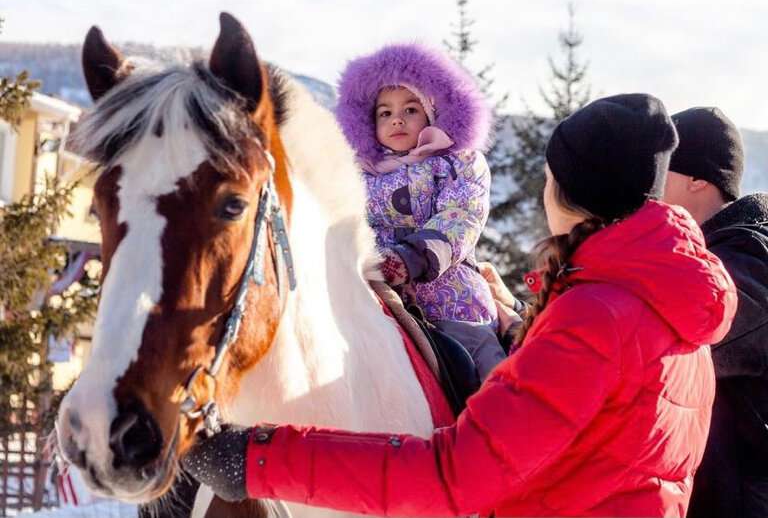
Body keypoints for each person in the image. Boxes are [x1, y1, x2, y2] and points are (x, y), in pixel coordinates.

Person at [183, 93, 737, 517]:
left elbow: (455, 475)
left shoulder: (595, 316)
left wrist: (257, 458)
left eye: (549, 179)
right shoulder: (674, 306)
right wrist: (526, 325)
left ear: (567, 192)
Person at [335, 42, 506, 381]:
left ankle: (501, 425)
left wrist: (408, 259)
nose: (397, 118)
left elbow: (460, 216)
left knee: (487, 377)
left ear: (431, 112)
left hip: (452, 301)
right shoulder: (357, 174)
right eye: (385, 112)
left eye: (410, 109)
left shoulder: (456, 163)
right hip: (376, 297)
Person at [663, 106, 768, 518]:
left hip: (740, 499)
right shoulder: (708, 258)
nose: (647, 185)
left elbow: (662, 342)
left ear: (699, 180)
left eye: (661, 170)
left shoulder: (749, 264)